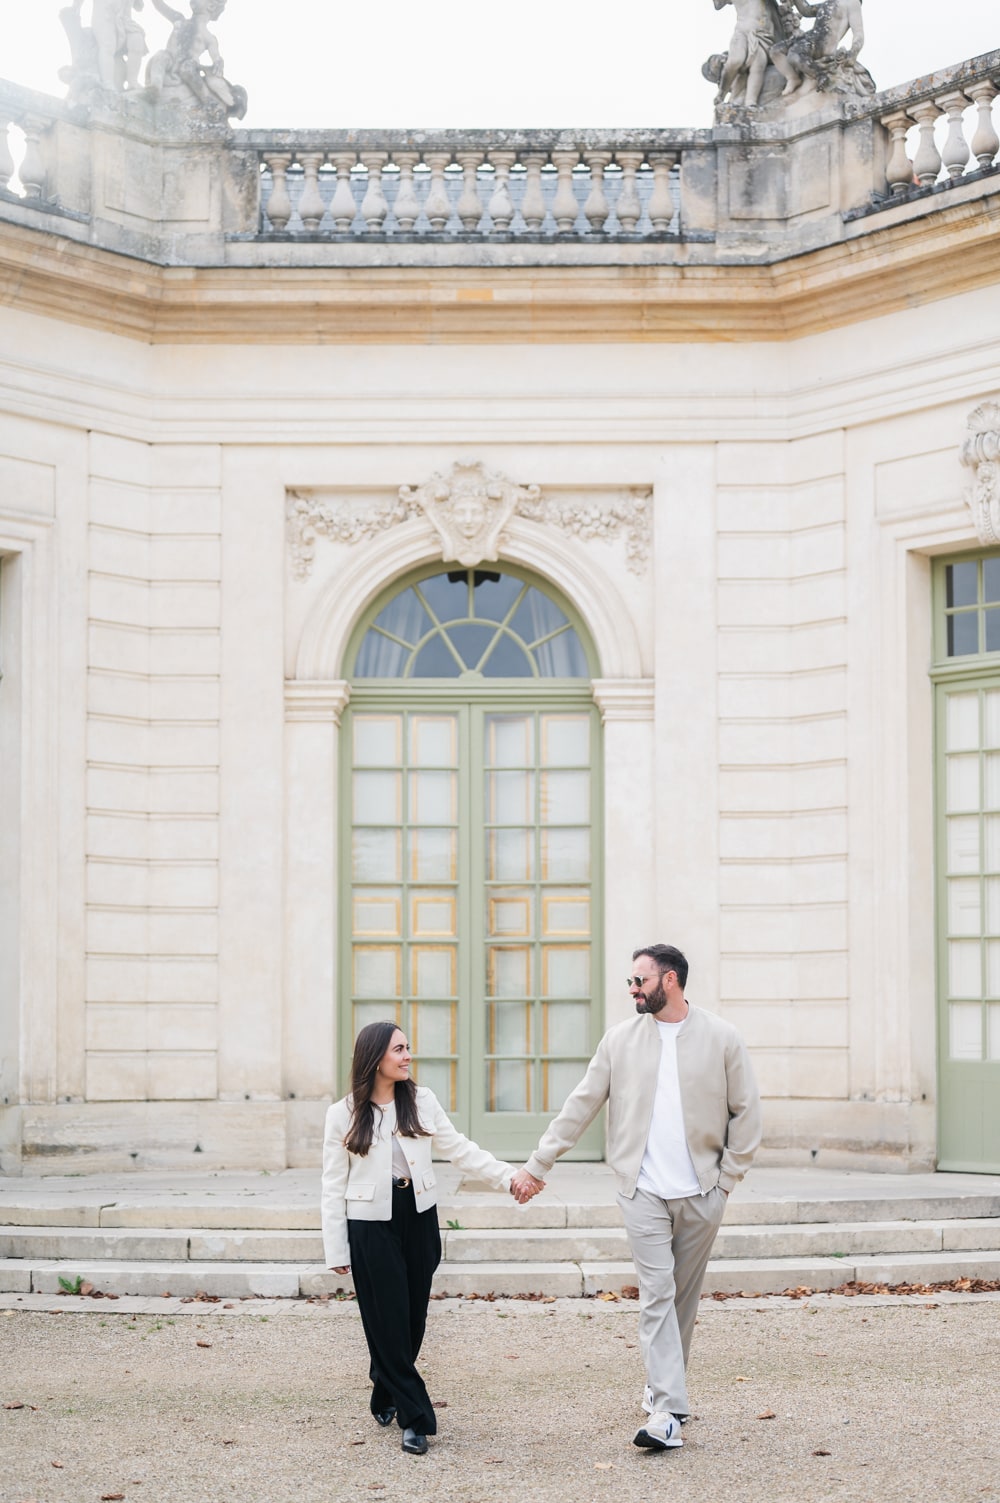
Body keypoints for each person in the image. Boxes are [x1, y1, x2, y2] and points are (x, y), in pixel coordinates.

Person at [511, 943, 761, 1453]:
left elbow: (747, 1113)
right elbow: (579, 1106)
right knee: (656, 1296)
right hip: (642, 1190)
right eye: (631, 981)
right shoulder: (619, 1041)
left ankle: (663, 1383)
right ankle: (668, 1411)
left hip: (702, 1192)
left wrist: (726, 1181)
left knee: (682, 1301)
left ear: (669, 980)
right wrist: (539, 1165)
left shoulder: (722, 1038)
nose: (631, 989)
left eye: (639, 981)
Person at [322, 1020, 514, 1456]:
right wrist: (336, 1246)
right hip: (370, 1224)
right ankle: (416, 1417)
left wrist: (509, 1177)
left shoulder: (421, 1102)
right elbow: (332, 1184)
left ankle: (384, 1386)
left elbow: (461, 1149)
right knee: (387, 1316)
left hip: (419, 1216)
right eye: (398, 1049)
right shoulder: (343, 1113)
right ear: (375, 1058)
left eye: (408, 1047)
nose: (408, 1056)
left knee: (411, 1321)